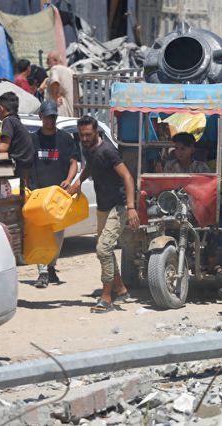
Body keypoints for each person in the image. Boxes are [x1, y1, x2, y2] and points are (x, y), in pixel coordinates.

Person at [68, 115, 140, 313]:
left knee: (103, 249)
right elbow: (90, 165)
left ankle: (106, 298)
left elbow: (127, 177)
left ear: (97, 133)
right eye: (81, 135)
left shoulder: (108, 151)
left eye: (88, 135)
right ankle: (121, 288)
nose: (84, 138)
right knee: (103, 250)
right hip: (103, 206)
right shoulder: (88, 148)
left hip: (118, 206)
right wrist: (79, 181)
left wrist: (132, 207)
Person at [30, 101, 79, 288]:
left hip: (59, 194)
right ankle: (42, 272)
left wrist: (69, 179)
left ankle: (51, 267)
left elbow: (73, 162)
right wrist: (29, 186)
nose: (50, 120)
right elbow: (27, 164)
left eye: (53, 117)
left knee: (58, 234)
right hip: (39, 193)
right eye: (47, 116)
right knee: (40, 233)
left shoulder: (65, 139)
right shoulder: (33, 139)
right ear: (41, 116)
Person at [0, 92, 34, 185]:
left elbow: (3, 147)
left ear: (1, 108)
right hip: (23, 166)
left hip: (16, 166)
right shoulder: (15, 120)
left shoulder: (8, 121)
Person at [44, 51, 76, 117]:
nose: (46, 63)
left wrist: (55, 97)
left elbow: (55, 82)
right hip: (73, 111)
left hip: (61, 109)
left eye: (48, 60)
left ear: (55, 61)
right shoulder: (71, 71)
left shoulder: (55, 68)